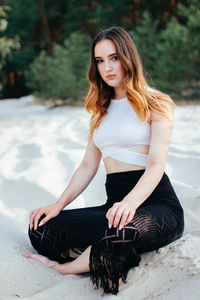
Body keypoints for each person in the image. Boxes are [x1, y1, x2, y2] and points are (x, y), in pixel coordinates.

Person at [24, 26, 184, 296]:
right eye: (99, 61)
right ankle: (110, 254)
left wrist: (131, 203)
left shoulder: (157, 103)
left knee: (122, 229)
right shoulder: (100, 111)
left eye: (114, 58)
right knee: (41, 229)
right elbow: (88, 166)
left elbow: (156, 165)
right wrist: (58, 204)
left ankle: (69, 267)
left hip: (156, 204)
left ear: (127, 57)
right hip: (114, 206)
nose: (107, 67)